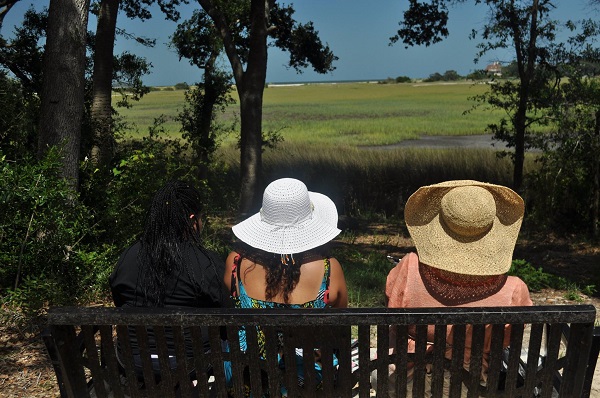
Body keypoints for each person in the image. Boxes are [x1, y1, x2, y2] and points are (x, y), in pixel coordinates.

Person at [375, 180, 533, 397]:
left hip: (406, 382)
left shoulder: (408, 269)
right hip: (471, 387)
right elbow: (505, 342)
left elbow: (392, 319)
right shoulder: (514, 291)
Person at [224, 177, 348, 395]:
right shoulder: (329, 269)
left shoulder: (236, 263)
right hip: (306, 385)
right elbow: (340, 326)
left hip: (248, 383)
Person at [109, 180, 229, 378]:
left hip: (133, 363)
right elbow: (226, 315)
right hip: (192, 366)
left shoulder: (128, 256)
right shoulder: (206, 262)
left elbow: (120, 301)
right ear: (192, 220)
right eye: (201, 219)